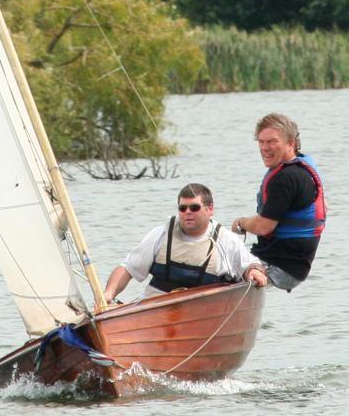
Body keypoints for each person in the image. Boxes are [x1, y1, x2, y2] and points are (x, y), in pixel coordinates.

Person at [104, 183, 267, 304]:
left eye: (194, 207)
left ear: (210, 209)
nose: (187, 212)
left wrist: (254, 272)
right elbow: (127, 268)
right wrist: (108, 295)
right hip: (153, 309)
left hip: (204, 315)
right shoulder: (160, 234)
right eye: (182, 208)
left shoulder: (225, 240)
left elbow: (251, 265)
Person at [232, 113, 326, 292]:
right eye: (261, 142)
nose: (265, 148)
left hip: (279, 266)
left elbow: (263, 227)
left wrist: (240, 223)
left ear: (291, 143)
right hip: (296, 266)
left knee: (213, 264)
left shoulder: (285, 178)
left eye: (272, 141)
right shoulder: (305, 165)